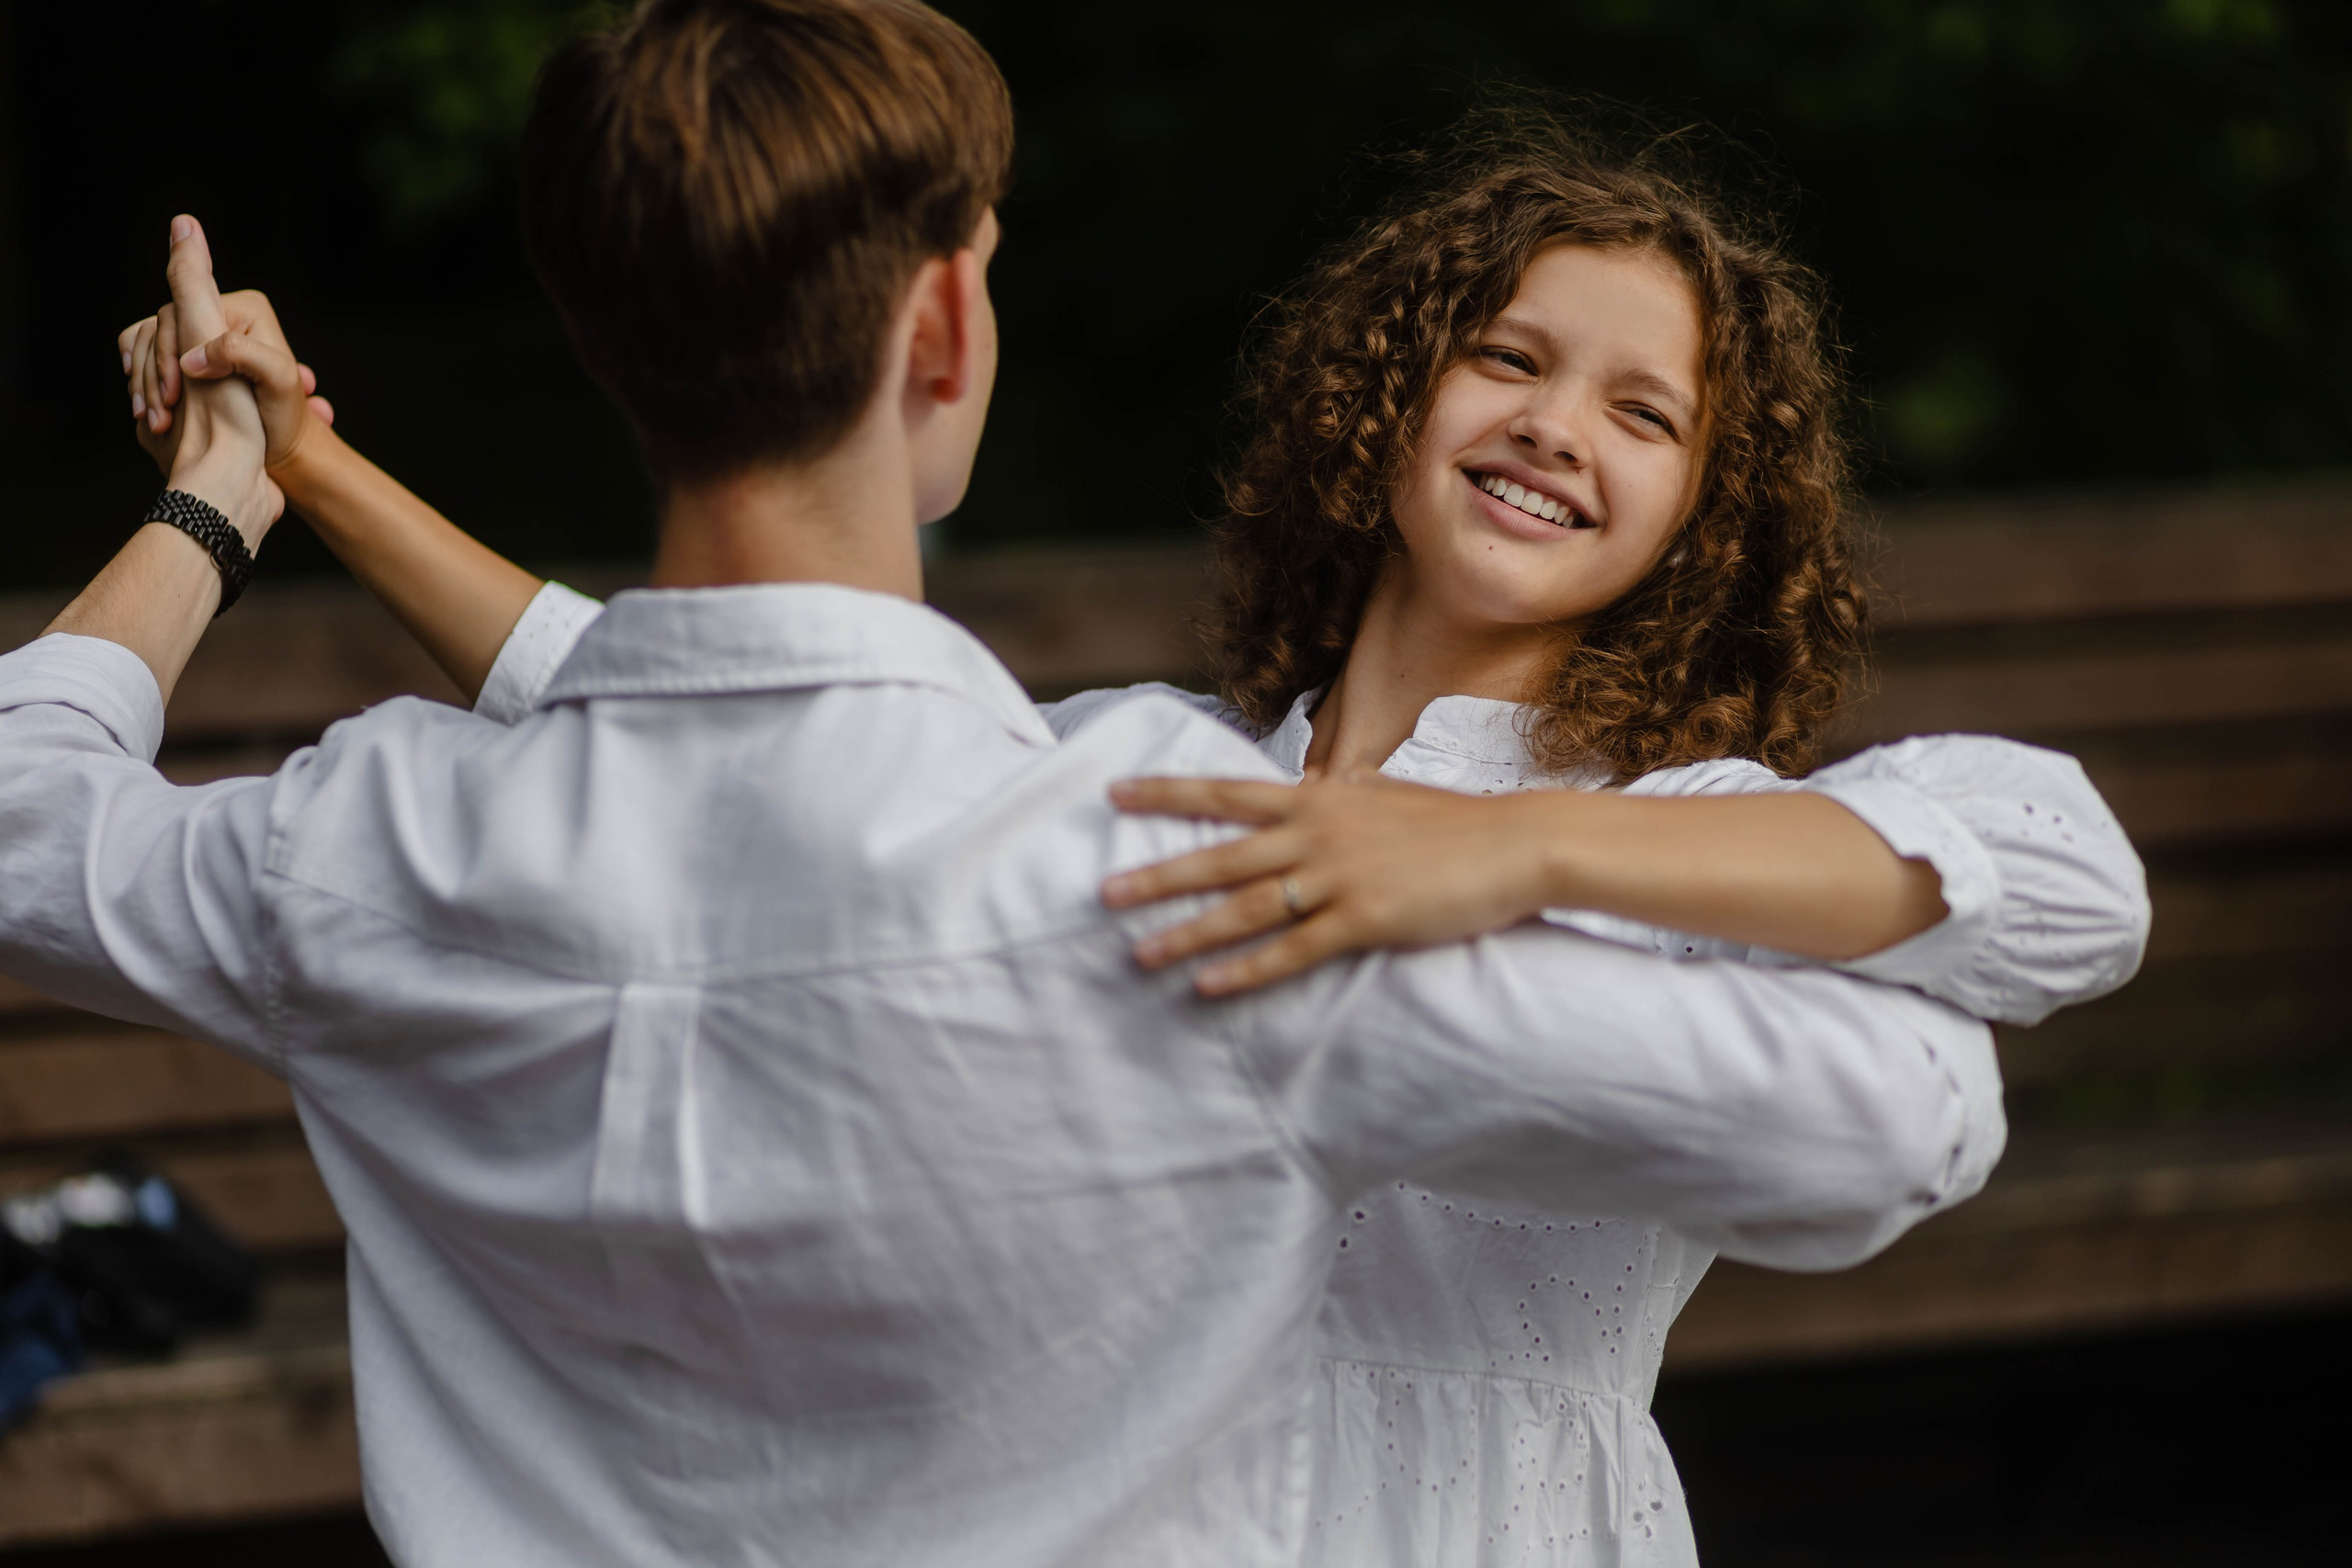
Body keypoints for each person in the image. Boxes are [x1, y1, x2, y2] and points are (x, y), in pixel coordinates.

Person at [72, 5, 2030, 1563]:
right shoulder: (1165, 804)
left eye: (1638, 407)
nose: (1547, 426)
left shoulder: (1657, 830)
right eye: (1506, 357)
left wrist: (252, 493)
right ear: (1388, 389)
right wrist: (313, 475)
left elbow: (729, 740)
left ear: (1710, 497)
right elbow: (719, 721)